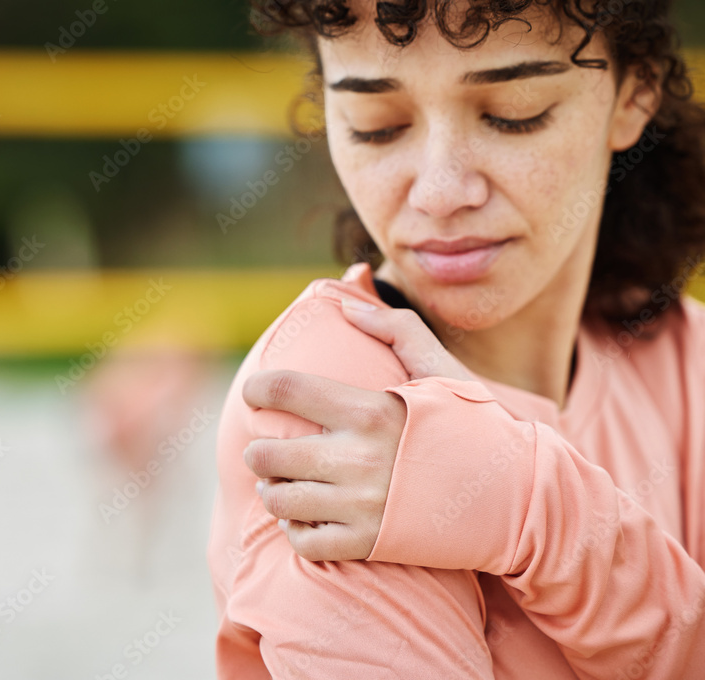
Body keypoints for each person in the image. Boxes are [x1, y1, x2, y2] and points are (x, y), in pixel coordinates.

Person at [206, 0, 705, 677]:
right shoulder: (337, 401)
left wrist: (529, 504)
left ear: (634, 93)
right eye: (376, 125)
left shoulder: (683, 357)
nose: (439, 193)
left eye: (514, 112)